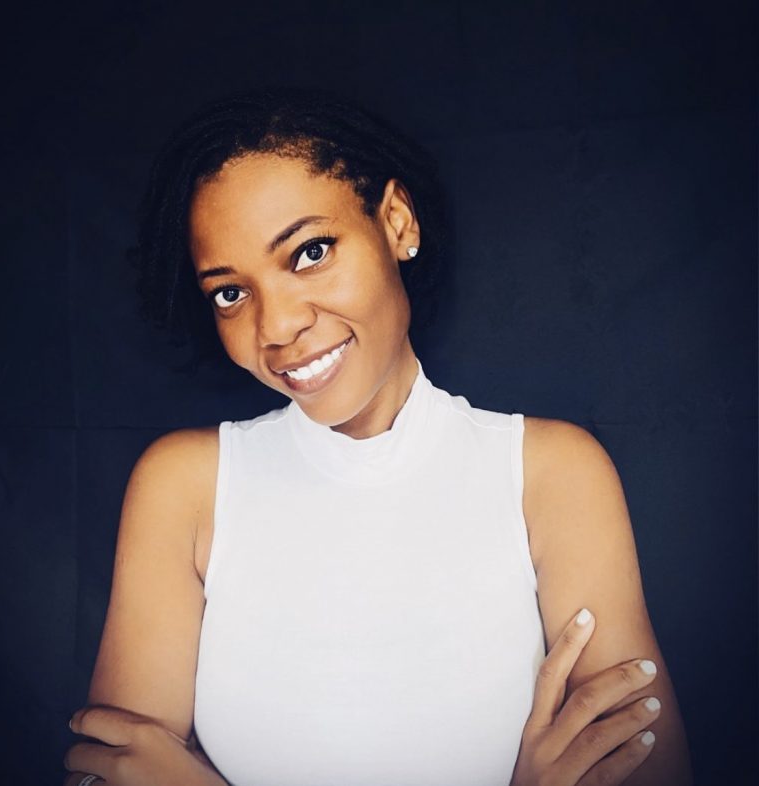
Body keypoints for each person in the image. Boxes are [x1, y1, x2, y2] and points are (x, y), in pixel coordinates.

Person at [63, 86, 693, 786]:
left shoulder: (550, 476)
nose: (276, 327)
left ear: (396, 221)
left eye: (310, 252)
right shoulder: (184, 489)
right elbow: (101, 770)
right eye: (230, 293)